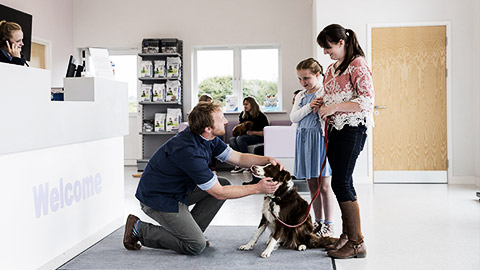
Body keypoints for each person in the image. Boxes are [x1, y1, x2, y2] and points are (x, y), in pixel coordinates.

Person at [124, 101, 282, 255]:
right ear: (208, 128)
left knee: (223, 182)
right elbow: (219, 193)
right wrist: (257, 188)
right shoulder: (190, 151)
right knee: (195, 245)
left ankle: (190, 233)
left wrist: (267, 160)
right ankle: (139, 228)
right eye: (221, 119)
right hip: (158, 199)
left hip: (179, 191)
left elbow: (238, 158)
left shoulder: (209, 138)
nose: (226, 121)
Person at [316, 24, 374, 259]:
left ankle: (357, 242)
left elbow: (366, 101)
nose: (325, 52)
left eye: (328, 47)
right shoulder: (331, 69)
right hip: (334, 130)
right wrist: (320, 102)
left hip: (352, 129)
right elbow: (331, 95)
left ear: (341, 43)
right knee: (341, 181)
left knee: (341, 182)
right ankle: (347, 235)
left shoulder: (357, 64)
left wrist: (334, 107)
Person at [290, 58, 335, 238]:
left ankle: (329, 224)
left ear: (318, 75)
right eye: (300, 79)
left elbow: (327, 117)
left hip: (319, 141)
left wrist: (321, 106)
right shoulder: (301, 96)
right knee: (312, 185)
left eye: (306, 78)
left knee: (324, 186)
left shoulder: (326, 93)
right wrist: (310, 106)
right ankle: (318, 222)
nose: (303, 83)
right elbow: (294, 118)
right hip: (303, 140)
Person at [229, 96, 269, 173]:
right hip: (244, 136)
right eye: (244, 104)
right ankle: (239, 164)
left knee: (240, 139)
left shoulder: (261, 116)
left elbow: (265, 133)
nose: (245, 106)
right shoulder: (243, 115)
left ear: (252, 104)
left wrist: (253, 133)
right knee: (231, 140)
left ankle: (246, 164)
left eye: (246, 104)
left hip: (258, 137)